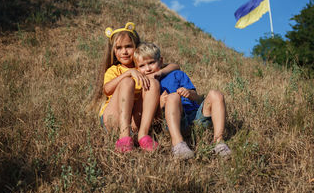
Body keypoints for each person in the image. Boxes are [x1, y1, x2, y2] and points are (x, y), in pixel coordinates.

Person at [90, 22, 179, 153]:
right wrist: (128, 73)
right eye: (119, 48)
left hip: (135, 121)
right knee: (127, 83)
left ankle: (143, 135)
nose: (124, 52)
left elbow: (175, 66)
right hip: (113, 119)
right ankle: (124, 136)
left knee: (153, 83)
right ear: (113, 51)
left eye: (128, 47)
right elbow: (106, 89)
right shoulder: (114, 70)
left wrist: (158, 73)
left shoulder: (143, 66)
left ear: (136, 47)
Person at [133, 42, 232, 159]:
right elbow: (150, 117)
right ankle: (178, 144)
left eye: (151, 63)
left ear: (160, 61)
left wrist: (189, 94)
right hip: (173, 122)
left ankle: (219, 142)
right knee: (173, 97)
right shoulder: (146, 85)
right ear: (137, 69)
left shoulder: (177, 74)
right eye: (142, 66)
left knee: (216, 94)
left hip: (195, 117)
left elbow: (198, 98)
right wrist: (159, 103)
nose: (148, 68)